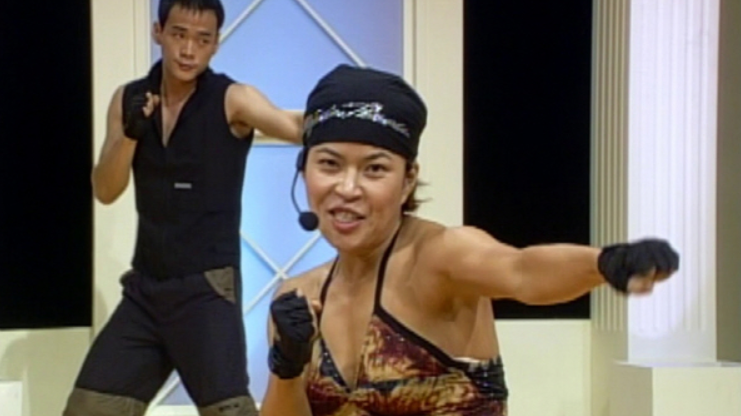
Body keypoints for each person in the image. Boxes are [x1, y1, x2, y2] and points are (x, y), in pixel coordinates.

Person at [259, 64, 680, 416]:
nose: (348, 188)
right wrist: (287, 364)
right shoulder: (299, 296)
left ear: (408, 181)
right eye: (329, 164)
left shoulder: (437, 257)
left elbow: (522, 271)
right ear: (304, 170)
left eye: (375, 169)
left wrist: (605, 264)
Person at [63, 1, 304, 415]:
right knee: (88, 408)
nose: (189, 50)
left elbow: (293, 127)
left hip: (206, 291)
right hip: (145, 292)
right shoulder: (129, 98)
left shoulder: (233, 99)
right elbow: (105, 189)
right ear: (158, 32)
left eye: (202, 39)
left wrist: (350, 113)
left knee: (230, 411)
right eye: (178, 35)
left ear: (216, 45)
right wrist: (130, 134)